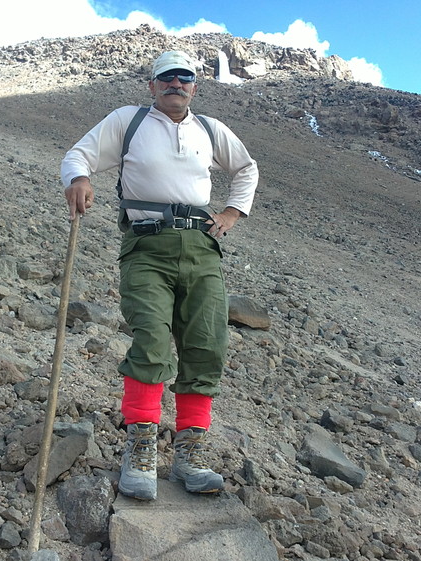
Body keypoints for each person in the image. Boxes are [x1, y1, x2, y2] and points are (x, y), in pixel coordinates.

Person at [60, 50, 258, 500]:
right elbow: (79, 154)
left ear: (195, 86)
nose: (176, 84)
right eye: (166, 78)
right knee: (150, 339)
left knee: (207, 345)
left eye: (184, 78)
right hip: (147, 246)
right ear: (152, 85)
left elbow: (246, 168)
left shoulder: (209, 130)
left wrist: (231, 212)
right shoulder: (127, 121)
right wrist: (79, 179)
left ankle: (190, 454)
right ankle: (141, 448)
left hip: (202, 249)